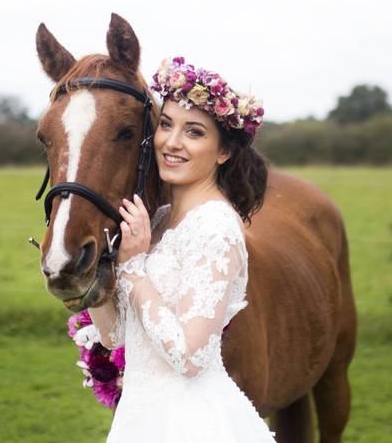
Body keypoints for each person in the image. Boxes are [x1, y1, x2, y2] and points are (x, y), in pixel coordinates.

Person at [88, 56, 275, 442]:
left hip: (192, 424)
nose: (172, 143)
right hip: (140, 419)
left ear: (223, 152)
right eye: (167, 125)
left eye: (194, 132)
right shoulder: (158, 221)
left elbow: (190, 357)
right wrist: (92, 280)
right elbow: (117, 337)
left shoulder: (216, 228)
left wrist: (135, 267)